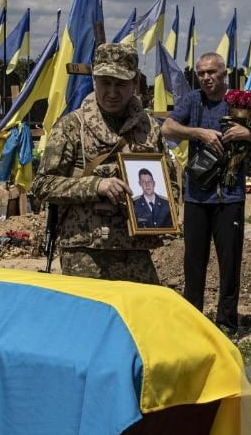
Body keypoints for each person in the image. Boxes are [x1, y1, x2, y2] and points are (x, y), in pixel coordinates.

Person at [31, 43, 166, 283]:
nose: (112, 92)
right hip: (85, 251)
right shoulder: (72, 126)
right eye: (106, 82)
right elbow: (42, 185)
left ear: (134, 84)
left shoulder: (149, 128)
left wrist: (163, 214)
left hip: (135, 249)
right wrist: (96, 186)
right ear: (94, 81)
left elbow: (168, 181)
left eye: (121, 84)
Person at [162, 52, 251, 335]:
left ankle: (226, 321)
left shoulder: (239, 102)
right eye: (201, 73)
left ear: (224, 73)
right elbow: (167, 127)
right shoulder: (192, 100)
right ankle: (192, 319)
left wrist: (245, 134)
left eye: (211, 72)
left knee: (229, 261)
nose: (206, 78)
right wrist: (199, 133)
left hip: (230, 194)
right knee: (194, 261)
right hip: (197, 195)